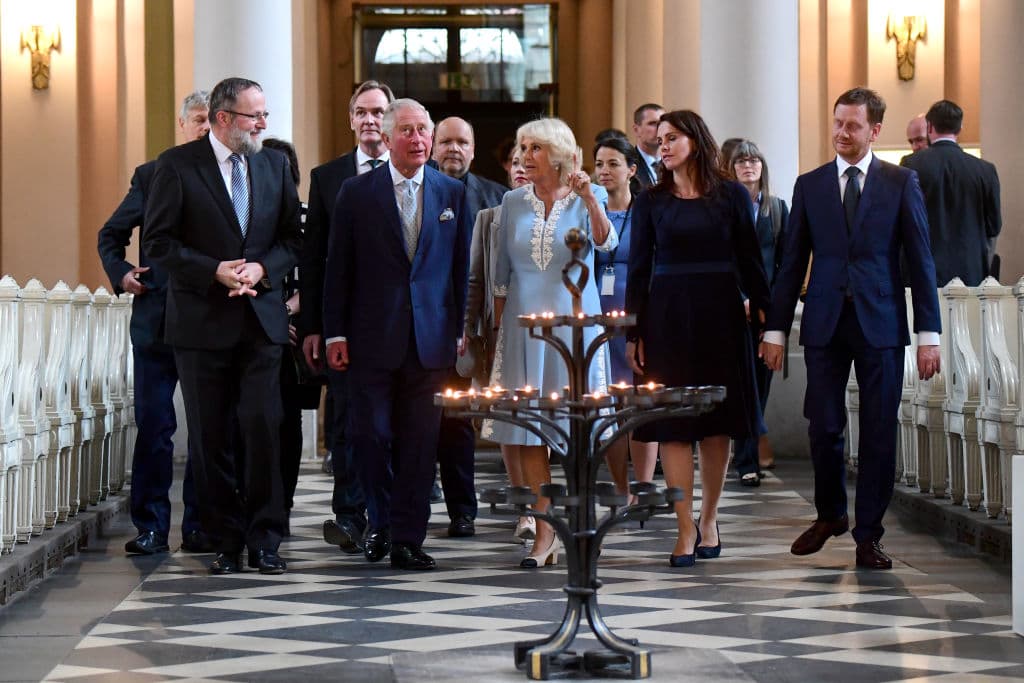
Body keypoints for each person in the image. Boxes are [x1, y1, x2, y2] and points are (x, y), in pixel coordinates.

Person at [760, 87, 941, 570]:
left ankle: (869, 536)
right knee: (823, 425)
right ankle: (830, 514)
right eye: (838, 123)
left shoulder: (901, 183)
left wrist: (930, 335)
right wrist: (774, 330)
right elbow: (791, 261)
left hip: (881, 323)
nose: (842, 133)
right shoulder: (810, 184)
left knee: (880, 430)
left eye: (853, 126)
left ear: (875, 130)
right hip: (823, 321)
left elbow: (921, 261)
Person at [143, 77, 302, 576]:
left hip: (261, 324)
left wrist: (262, 269)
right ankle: (226, 540)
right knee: (211, 439)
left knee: (263, 430)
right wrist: (214, 269)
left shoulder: (274, 164)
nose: (263, 124)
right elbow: (159, 244)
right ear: (223, 118)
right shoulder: (176, 166)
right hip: (201, 324)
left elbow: (292, 240)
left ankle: (267, 537)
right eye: (254, 116)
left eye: (264, 115)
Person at [323, 98, 472, 571]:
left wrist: (461, 330)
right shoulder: (356, 193)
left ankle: (407, 537)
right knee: (370, 436)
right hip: (371, 337)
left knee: (419, 444)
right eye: (407, 130)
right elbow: (337, 270)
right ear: (386, 140)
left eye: (424, 130)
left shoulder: (452, 194)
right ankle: (380, 522)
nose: (419, 139)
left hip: (431, 340)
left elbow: (460, 269)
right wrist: (334, 334)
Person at [625, 110, 770, 569]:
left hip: (721, 314)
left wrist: (769, 318)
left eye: (672, 138)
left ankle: (709, 519)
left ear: (696, 140)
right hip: (666, 316)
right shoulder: (650, 201)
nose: (663, 145)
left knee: (715, 423)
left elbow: (751, 259)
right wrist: (634, 330)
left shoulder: (730, 195)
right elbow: (638, 270)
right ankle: (683, 524)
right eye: (660, 139)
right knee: (673, 422)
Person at [484, 117, 616, 568]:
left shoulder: (588, 196)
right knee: (529, 434)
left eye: (535, 147)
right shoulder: (511, 201)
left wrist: (587, 198)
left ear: (558, 154)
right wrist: (498, 335)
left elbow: (605, 241)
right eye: (522, 147)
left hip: (575, 330)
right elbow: (500, 275)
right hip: (523, 330)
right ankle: (544, 534)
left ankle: (581, 523)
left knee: (578, 432)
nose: (524, 156)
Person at [97, 90, 213, 556]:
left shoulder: (232, 177)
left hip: (207, 320)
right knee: (155, 425)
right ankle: (150, 526)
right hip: (156, 322)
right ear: (183, 125)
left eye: (212, 119)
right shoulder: (152, 174)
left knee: (207, 430)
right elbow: (111, 235)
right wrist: (122, 273)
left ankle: (200, 526)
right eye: (198, 119)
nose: (205, 127)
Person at [301, 80, 394, 556]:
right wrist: (316, 324)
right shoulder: (327, 177)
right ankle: (349, 517)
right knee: (346, 424)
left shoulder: (416, 170)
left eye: (378, 111)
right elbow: (315, 257)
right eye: (361, 112)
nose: (370, 120)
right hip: (344, 324)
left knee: (390, 425)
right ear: (350, 119)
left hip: (398, 325)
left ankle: (389, 517)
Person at [431, 116, 509, 539]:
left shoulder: (497, 197)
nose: (454, 149)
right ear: (432, 146)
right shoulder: (417, 189)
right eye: (446, 142)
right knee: (417, 418)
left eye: (462, 142)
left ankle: (463, 510)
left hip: (468, 326)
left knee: (459, 420)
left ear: (473, 150)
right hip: (421, 320)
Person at [464, 151, 531, 542]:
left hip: (543, 329)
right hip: (498, 330)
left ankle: (546, 505)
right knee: (508, 420)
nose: (521, 168)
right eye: (514, 162)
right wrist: (468, 330)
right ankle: (524, 509)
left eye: (529, 159)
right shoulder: (489, 218)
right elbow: (475, 280)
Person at [591, 136, 658, 502]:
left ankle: (644, 484)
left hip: (636, 316)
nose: (604, 171)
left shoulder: (646, 209)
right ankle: (620, 485)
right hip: (599, 318)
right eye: (599, 163)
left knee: (639, 403)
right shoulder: (588, 210)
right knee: (609, 407)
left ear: (632, 170)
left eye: (613, 163)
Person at [260, 137, 321, 534]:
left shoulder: (308, 217)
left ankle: (282, 505)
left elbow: (317, 272)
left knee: (289, 420)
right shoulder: (251, 218)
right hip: (259, 329)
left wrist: (287, 312)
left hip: (296, 332)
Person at [726, 140, 789, 486]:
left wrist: (770, 303)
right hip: (734, 309)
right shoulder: (725, 207)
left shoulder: (777, 209)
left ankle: (750, 453)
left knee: (761, 385)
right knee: (741, 383)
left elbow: (786, 262)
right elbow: (724, 259)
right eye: (742, 161)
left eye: (754, 161)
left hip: (768, 312)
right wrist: (741, 298)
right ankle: (745, 459)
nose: (748, 166)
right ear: (732, 168)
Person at [901, 99, 1001, 287]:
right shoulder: (985, 169)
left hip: (922, 271)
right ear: (960, 127)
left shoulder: (911, 165)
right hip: (970, 273)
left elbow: (901, 221)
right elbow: (994, 226)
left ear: (929, 127)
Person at [631, 103, 664, 188]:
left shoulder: (674, 163)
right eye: (652, 123)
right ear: (636, 130)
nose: (659, 128)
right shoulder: (628, 164)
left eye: (662, 123)